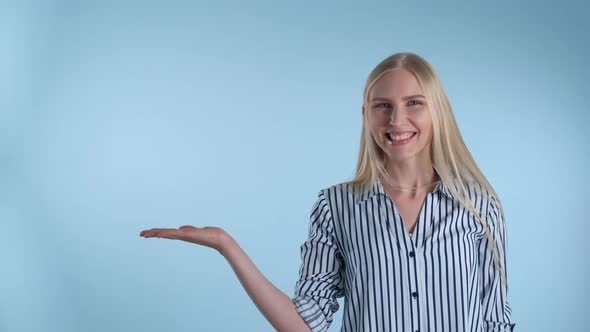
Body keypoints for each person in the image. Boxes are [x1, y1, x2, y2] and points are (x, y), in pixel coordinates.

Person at [139, 52, 516, 332]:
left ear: (438, 111)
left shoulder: (478, 204)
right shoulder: (336, 207)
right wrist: (226, 245)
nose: (396, 120)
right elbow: (306, 324)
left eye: (413, 103)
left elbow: (496, 320)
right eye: (382, 106)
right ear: (366, 115)